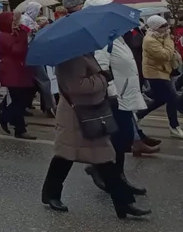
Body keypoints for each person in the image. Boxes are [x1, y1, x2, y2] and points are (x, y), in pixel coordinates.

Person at [40, 52, 149, 218]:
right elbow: (75, 85)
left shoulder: (84, 54)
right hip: (76, 117)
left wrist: (100, 77)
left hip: (90, 113)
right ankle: (51, 194)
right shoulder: (71, 57)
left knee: (103, 157)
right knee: (65, 156)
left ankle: (124, 203)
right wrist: (103, 78)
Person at [90, 24, 149, 197]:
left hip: (127, 95)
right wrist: (112, 92)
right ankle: (113, 177)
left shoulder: (119, 38)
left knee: (126, 137)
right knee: (119, 138)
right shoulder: (104, 40)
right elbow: (101, 68)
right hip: (116, 97)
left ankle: (114, 175)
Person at [136, 15, 183, 138]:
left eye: (166, 25)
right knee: (172, 97)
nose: (166, 28)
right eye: (163, 26)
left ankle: (139, 115)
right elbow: (165, 55)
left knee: (161, 99)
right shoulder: (149, 40)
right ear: (155, 27)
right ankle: (174, 126)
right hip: (154, 73)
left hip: (163, 72)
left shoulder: (160, 37)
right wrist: (169, 41)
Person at [0, 11, 36, 139]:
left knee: (21, 98)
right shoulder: (3, 35)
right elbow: (17, 50)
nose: (15, 24)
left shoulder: (12, 33)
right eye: (13, 21)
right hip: (11, 70)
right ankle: (5, 117)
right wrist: (23, 35)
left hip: (18, 69)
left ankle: (19, 128)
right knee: (20, 100)